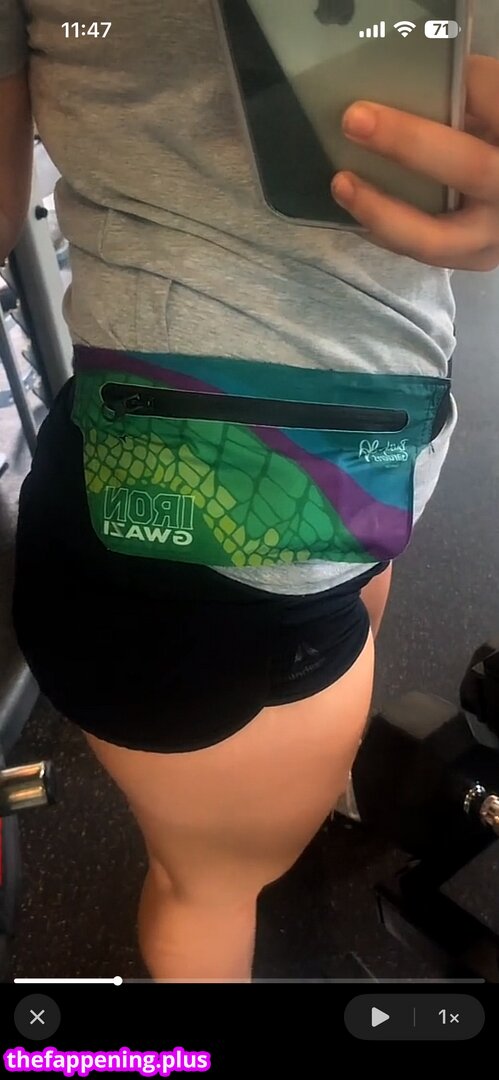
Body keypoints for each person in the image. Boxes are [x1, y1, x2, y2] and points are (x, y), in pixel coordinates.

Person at [2, 1, 498, 982]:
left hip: (349, 458)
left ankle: (305, 791)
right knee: (210, 887)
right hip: (243, 495)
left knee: (210, 877)